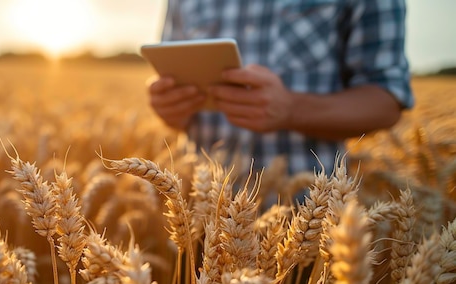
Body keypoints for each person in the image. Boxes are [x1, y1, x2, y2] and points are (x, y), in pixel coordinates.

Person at [148, 0, 414, 186]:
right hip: (199, 214)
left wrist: (291, 109)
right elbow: (170, 78)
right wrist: (169, 107)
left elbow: (387, 99)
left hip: (308, 225)